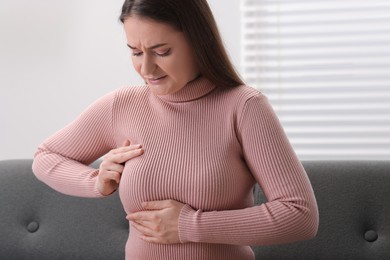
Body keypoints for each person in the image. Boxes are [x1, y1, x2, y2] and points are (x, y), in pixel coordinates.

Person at [32, 0, 319, 259]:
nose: (147, 68)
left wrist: (189, 226)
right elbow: (46, 157)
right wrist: (95, 180)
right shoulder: (123, 105)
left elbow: (299, 215)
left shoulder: (244, 107)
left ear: (199, 41)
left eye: (162, 52)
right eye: (135, 52)